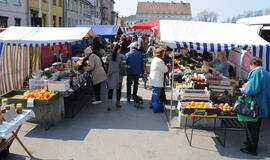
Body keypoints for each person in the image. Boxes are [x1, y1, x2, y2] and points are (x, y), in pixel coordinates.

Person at [239, 57, 270, 155]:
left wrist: (244, 90)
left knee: (252, 127)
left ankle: (252, 149)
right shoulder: (265, 72)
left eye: (250, 65)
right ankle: (250, 143)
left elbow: (252, 89)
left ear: (252, 64)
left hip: (255, 103)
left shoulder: (256, 72)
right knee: (256, 125)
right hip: (263, 102)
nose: (250, 67)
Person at [106, 44, 125, 111]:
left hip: (110, 75)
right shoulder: (122, 56)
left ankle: (109, 105)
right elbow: (123, 67)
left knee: (110, 90)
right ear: (118, 49)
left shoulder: (108, 56)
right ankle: (118, 103)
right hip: (118, 75)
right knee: (118, 89)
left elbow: (106, 66)